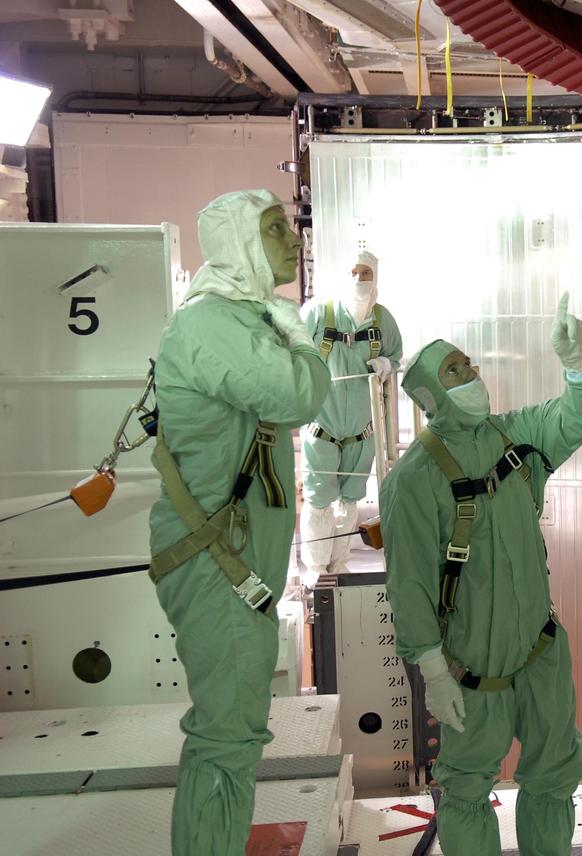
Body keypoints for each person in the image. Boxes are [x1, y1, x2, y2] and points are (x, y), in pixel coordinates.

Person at [381, 293, 582, 856]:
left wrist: (577, 364)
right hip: (471, 671)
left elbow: (580, 412)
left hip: (540, 651)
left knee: (554, 774)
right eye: (455, 371)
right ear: (430, 396)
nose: (471, 374)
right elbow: (409, 585)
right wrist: (432, 670)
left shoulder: (517, 438)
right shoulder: (412, 480)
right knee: (465, 789)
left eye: (469, 364)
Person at [148, 189, 328, 856]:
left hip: (233, 559)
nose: (292, 238)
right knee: (227, 737)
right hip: (217, 561)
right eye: (274, 227)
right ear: (238, 243)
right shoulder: (212, 324)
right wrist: (302, 338)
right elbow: (298, 394)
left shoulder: (244, 319)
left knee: (236, 731)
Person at [299, 250, 403, 579]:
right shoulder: (319, 313)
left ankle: (339, 564)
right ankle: (317, 569)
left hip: (362, 431)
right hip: (321, 427)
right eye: (354, 272)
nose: (360, 279)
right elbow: (291, 349)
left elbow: (396, 356)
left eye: (366, 273)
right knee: (319, 499)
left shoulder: (383, 320)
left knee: (350, 499)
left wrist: (385, 364)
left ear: (376, 277)